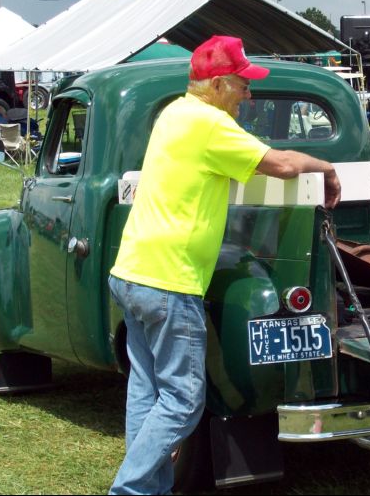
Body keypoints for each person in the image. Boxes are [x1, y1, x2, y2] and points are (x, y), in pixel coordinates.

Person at [107, 35, 341, 495]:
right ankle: (130, 490)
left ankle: (148, 489)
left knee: (148, 390)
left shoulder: (175, 112)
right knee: (183, 400)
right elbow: (283, 163)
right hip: (169, 281)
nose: (248, 95)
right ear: (217, 84)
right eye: (242, 85)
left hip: (132, 271)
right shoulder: (209, 123)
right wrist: (328, 168)